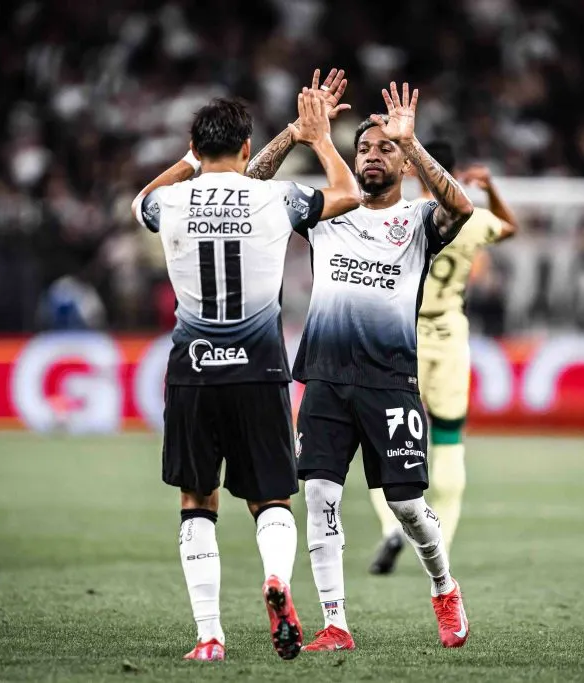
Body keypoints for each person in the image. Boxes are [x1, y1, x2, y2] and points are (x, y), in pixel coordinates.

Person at [131, 73, 359, 662]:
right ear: (246, 150)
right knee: (272, 500)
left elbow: (141, 201)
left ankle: (209, 636)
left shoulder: (170, 201)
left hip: (193, 371)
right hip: (260, 371)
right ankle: (276, 580)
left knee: (196, 501)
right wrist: (317, 138)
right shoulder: (274, 198)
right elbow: (348, 194)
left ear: (194, 144)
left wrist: (188, 162)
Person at [246, 82, 475, 651]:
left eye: (384, 149)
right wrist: (297, 134)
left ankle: (444, 588)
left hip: (391, 382)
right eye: (365, 148)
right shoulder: (327, 210)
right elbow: (249, 187)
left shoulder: (420, 221)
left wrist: (414, 142)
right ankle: (336, 624)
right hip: (323, 376)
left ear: (402, 161)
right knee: (321, 496)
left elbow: (463, 208)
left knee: (407, 505)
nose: (373, 154)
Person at [367, 144, 518, 574]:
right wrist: (490, 189)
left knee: (387, 443)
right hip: (450, 332)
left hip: (403, 334)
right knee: (449, 440)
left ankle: (391, 528)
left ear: (415, 168)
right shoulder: (469, 217)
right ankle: (441, 543)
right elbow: (509, 226)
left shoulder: (403, 216)